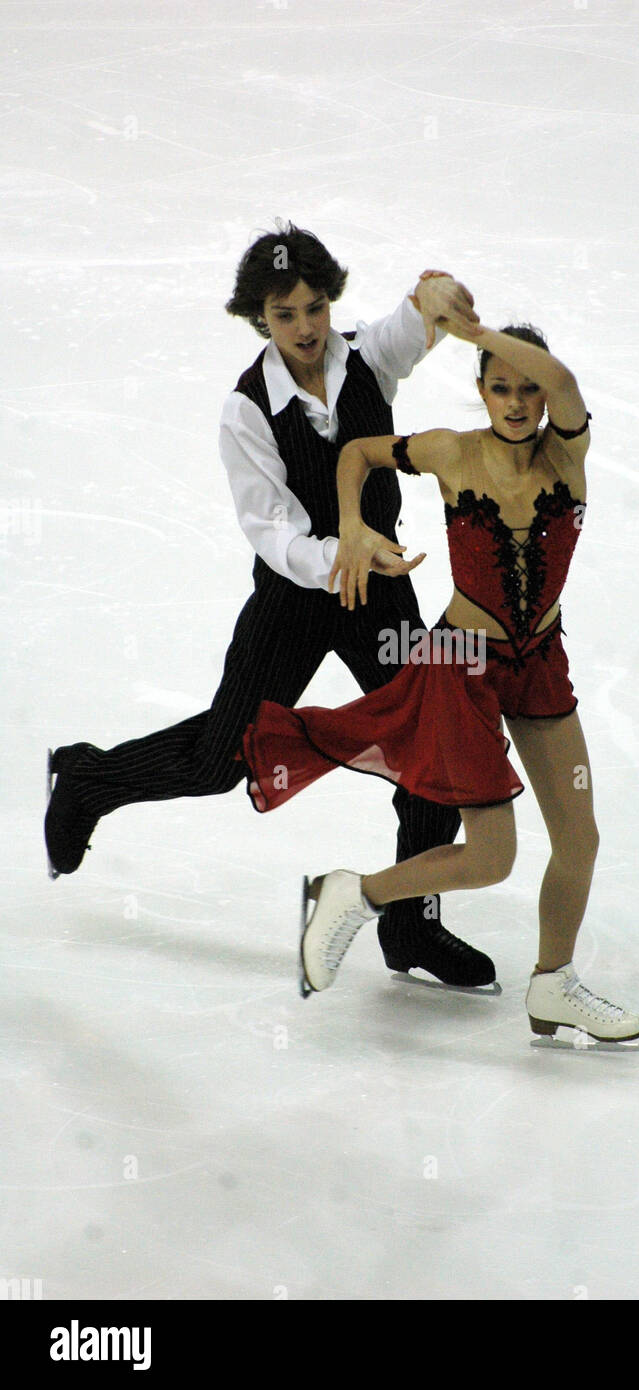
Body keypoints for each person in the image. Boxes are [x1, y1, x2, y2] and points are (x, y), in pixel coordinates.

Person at [44, 221, 497, 989]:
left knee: (431, 742)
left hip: (378, 595)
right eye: (285, 315)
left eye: (314, 308)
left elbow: (415, 322)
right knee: (223, 759)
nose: (305, 328)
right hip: (292, 602)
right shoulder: (246, 409)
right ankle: (90, 780)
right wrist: (344, 556)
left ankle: (412, 924)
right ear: (260, 317)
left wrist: (435, 297)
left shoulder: (365, 360)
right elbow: (273, 532)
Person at [238, 314, 639, 1044]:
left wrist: (480, 330)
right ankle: (353, 894)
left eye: (528, 388)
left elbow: (566, 383)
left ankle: (553, 985)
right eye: (499, 388)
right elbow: (358, 455)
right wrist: (354, 527)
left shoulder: (568, 456)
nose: (518, 402)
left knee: (578, 838)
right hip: (460, 667)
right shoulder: (452, 454)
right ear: (481, 392)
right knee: (493, 856)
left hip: (539, 663)